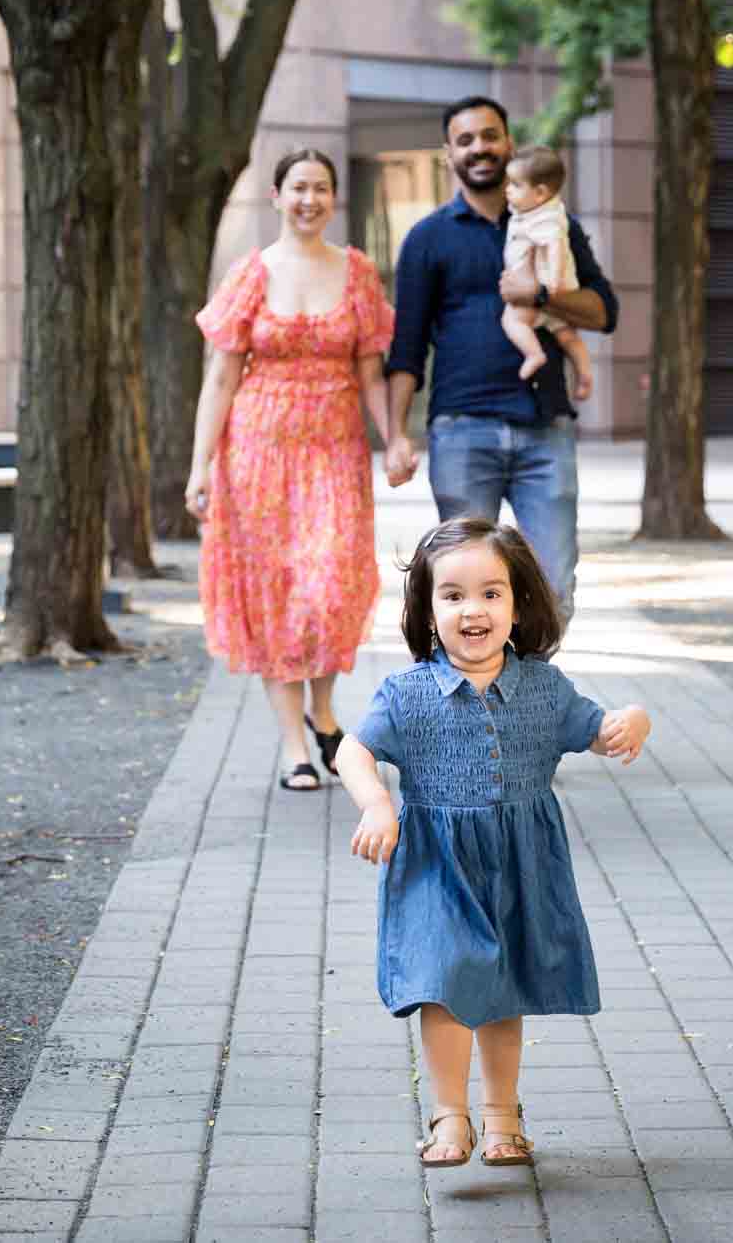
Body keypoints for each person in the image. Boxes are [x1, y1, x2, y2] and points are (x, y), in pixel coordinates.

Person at [335, 517, 651, 1169]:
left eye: (490, 593)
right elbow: (353, 749)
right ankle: (451, 1114)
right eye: (451, 595)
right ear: (426, 608)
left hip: (519, 861)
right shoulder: (407, 693)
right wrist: (376, 803)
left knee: (504, 986)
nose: (472, 609)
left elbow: (597, 728)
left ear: (519, 601)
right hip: (435, 865)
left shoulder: (542, 687)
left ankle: (503, 1114)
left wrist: (633, 719)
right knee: (445, 980)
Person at [186, 147, 398, 792]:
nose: (310, 199)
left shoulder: (357, 272)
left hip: (335, 453)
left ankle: (325, 710)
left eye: (322, 188)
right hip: (257, 457)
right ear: (277, 196)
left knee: (329, 588)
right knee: (276, 595)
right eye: (298, 187)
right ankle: (294, 747)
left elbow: (370, 371)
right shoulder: (251, 274)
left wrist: (395, 441)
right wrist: (200, 467)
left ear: (334, 198)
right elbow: (220, 378)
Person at [385, 95, 620, 624]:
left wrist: (540, 294)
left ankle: (529, 702)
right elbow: (406, 347)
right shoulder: (428, 238)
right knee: (465, 593)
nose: (480, 148)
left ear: (509, 142)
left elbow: (605, 311)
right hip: (462, 431)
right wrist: (396, 434)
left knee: (552, 588)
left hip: (546, 432)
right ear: (450, 154)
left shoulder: (558, 227)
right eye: (465, 140)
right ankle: (474, 703)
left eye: (490, 135)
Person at [500, 145, 595, 397]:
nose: (507, 189)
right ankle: (585, 374)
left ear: (540, 193)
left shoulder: (545, 221)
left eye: (516, 185)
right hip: (555, 292)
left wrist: (549, 285)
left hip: (540, 290)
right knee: (566, 335)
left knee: (511, 320)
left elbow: (554, 247)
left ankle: (533, 354)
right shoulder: (544, 210)